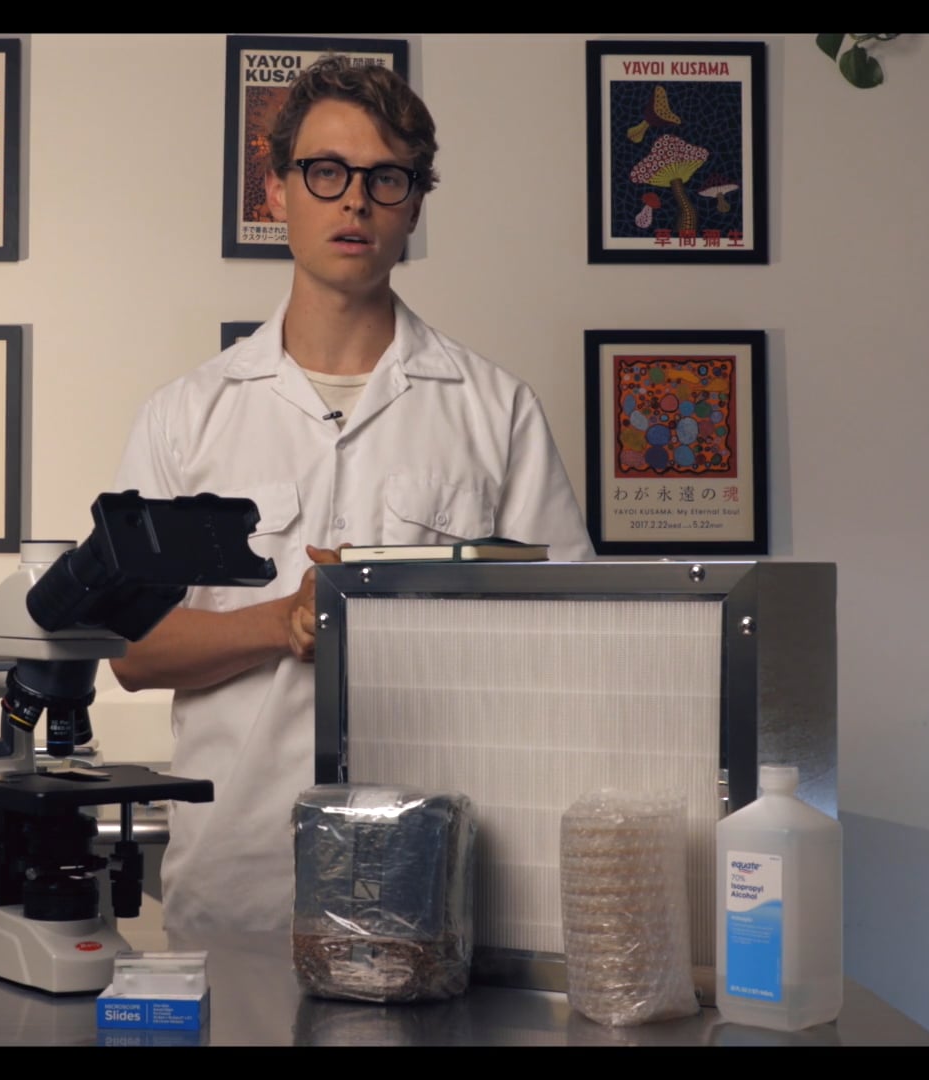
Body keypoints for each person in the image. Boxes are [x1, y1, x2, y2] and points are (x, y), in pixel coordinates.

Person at [108, 55, 594, 934]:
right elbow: (131, 651)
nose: (355, 201)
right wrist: (283, 620)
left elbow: (566, 646)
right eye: (326, 172)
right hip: (239, 889)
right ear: (277, 190)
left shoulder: (494, 411)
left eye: (386, 178)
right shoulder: (188, 416)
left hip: (441, 885)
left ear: (414, 205)